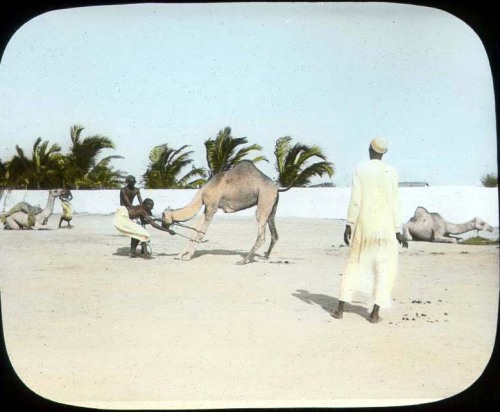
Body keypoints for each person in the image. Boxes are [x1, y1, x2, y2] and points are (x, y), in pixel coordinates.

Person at [332, 137, 408, 323]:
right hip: (386, 227)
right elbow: (395, 202)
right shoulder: (391, 171)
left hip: (365, 226)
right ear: (385, 153)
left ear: (369, 149)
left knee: (353, 263)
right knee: (385, 268)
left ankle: (340, 309)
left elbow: (355, 199)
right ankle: (374, 313)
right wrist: (398, 230)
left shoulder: (360, 169)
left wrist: (349, 224)